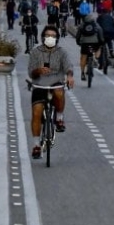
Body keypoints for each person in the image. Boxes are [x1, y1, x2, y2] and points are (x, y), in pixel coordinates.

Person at [27, 25, 76, 159]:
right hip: (39, 85)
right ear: (43, 37)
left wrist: (70, 76)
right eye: (48, 36)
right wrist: (38, 70)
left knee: (59, 92)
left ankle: (59, 119)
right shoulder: (36, 52)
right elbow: (31, 71)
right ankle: (36, 145)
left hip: (55, 83)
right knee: (36, 112)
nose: (50, 38)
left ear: (57, 38)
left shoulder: (62, 52)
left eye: (53, 36)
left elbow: (68, 66)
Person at [75, 12, 105, 79]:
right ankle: (96, 58)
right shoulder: (96, 25)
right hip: (95, 43)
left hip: (85, 44)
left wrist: (78, 42)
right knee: (99, 48)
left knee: (83, 57)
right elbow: (100, 34)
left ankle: (82, 73)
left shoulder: (82, 26)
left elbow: (78, 36)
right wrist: (101, 42)